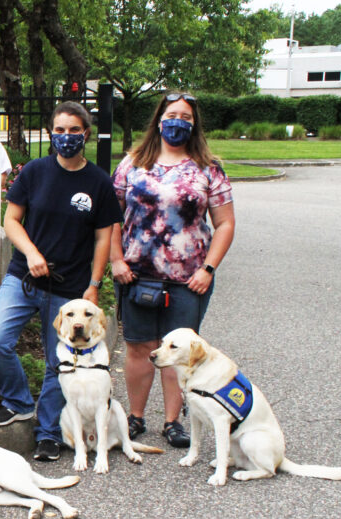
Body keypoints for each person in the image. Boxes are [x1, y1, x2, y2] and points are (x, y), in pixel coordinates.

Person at [0, 101, 122, 462]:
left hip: (70, 287)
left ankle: (47, 433)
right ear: (50, 133)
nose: (66, 137)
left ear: (86, 134)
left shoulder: (99, 182)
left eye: (74, 130)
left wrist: (93, 285)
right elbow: (12, 220)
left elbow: (104, 237)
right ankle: (18, 403)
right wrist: (30, 252)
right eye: (59, 130)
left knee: (58, 362)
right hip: (23, 276)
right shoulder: (34, 173)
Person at [110, 92, 235, 448]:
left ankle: (171, 422)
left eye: (185, 116)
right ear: (158, 120)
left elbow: (224, 223)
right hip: (135, 274)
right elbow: (110, 217)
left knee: (178, 352)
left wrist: (208, 268)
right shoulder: (132, 164)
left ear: (194, 124)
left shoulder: (208, 167)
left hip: (189, 279)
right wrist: (116, 260)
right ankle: (135, 418)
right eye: (171, 114)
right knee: (138, 348)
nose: (177, 121)